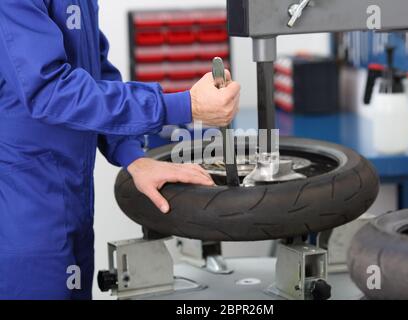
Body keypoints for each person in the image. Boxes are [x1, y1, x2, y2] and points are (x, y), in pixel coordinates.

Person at [0, 0, 240, 299]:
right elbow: (49, 92)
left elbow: (95, 76)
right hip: (21, 216)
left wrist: (134, 157)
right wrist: (183, 105)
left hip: (72, 205)